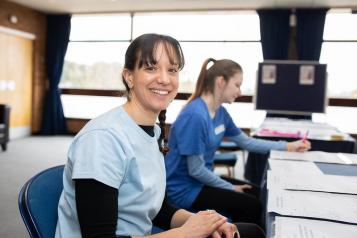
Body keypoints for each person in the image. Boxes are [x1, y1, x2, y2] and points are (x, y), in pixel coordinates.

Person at [55, 34, 263, 238]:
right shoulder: (102, 139)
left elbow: (158, 210)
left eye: (172, 70)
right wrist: (185, 234)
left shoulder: (152, 131)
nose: (164, 79)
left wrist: (202, 222)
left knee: (248, 231)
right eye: (151, 68)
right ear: (129, 77)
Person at [165, 58, 311, 226]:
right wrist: (230, 187)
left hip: (201, 181)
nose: (240, 92)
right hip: (185, 190)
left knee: (259, 193)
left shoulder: (221, 113)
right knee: (251, 206)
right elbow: (196, 170)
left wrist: (288, 146)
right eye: (237, 85)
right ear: (221, 81)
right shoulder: (195, 116)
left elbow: (247, 142)